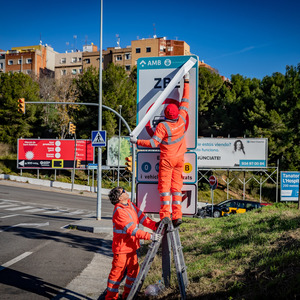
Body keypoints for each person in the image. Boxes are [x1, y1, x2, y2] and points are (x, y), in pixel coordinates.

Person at [130, 72, 190, 227]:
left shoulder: (163, 126)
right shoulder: (182, 118)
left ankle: (166, 215)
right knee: (176, 189)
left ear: (164, 114)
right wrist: (187, 80)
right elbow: (185, 100)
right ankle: (178, 215)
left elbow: (153, 143)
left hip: (167, 160)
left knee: (164, 189)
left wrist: (137, 141)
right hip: (179, 159)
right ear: (176, 113)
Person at [105, 187, 162, 300]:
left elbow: (143, 219)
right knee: (116, 276)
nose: (126, 191)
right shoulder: (119, 211)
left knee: (133, 272)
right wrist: (150, 236)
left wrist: (156, 226)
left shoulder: (131, 206)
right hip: (121, 250)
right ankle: (110, 298)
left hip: (131, 248)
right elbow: (132, 230)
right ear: (120, 197)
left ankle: (128, 296)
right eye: (124, 191)